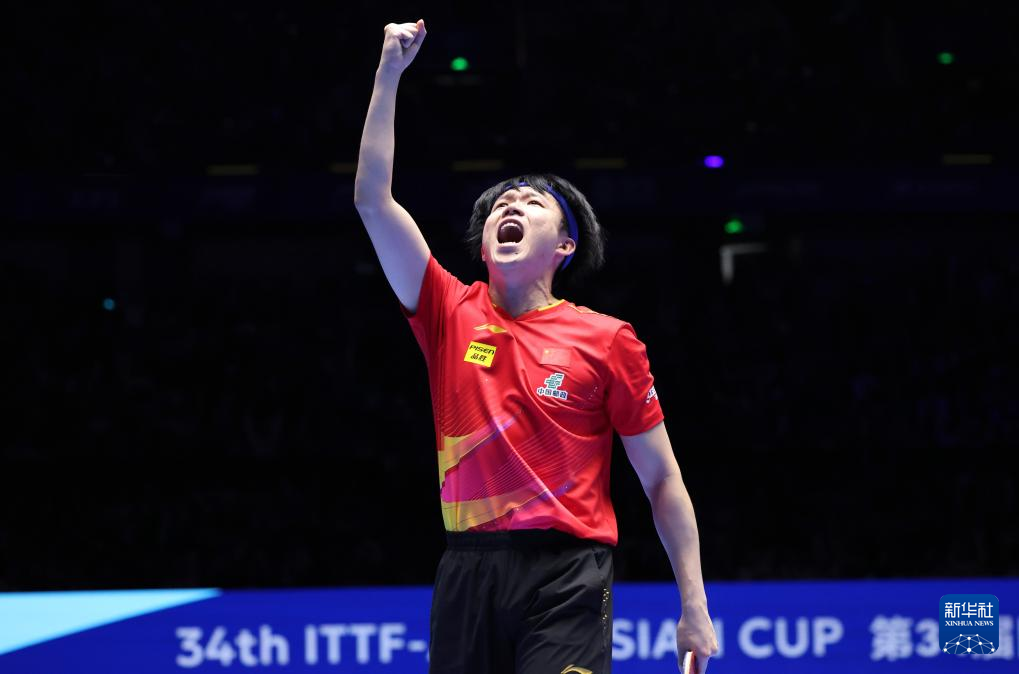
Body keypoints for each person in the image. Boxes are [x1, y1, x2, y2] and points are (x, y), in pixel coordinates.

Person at [354, 19, 719, 674]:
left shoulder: (607, 340)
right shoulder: (447, 311)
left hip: (566, 573)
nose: (511, 203)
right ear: (484, 244)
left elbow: (661, 478)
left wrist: (693, 602)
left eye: (532, 201)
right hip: (467, 571)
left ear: (565, 245)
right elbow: (373, 203)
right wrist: (388, 74)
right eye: (499, 204)